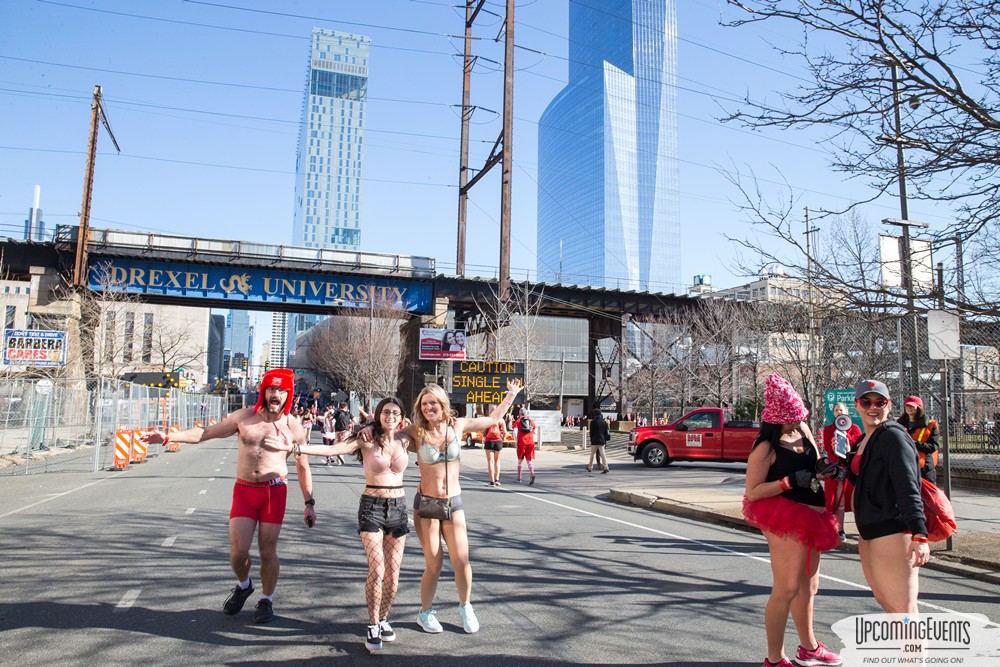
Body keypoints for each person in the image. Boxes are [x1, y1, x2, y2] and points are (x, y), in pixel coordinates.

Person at [140, 368, 315, 624]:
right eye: (271, 389)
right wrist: (168, 436)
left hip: (273, 493)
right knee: (238, 553)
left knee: (268, 552)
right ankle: (244, 585)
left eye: (280, 390)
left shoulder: (293, 428)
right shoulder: (245, 417)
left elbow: (303, 466)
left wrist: (309, 503)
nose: (275, 394)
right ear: (263, 391)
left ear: (288, 394)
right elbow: (205, 433)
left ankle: (266, 600)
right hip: (244, 491)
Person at [364, 379, 522, 635]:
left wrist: (510, 396)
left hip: (454, 502)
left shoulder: (458, 425)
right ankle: (425, 613)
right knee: (434, 564)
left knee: (462, 560)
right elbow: (388, 430)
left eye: (433, 403)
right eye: (424, 404)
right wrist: (369, 428)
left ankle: (466, 605)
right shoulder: (415, 431)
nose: (428, 408)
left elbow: (491, 420)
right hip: (426, 504)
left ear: (442, 404)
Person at [295, 397, 412, 654]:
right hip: (372, 505)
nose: (390, 416)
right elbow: (332, 450)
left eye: (395, 412)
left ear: (401, 417)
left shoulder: (405, 439)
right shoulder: (366, 439)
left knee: (393, 575)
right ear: (378, 415)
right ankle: (372, 624)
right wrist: (300, 449)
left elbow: (435, 435)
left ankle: (383, 618)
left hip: (399, 508)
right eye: (385, 412)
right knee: (377, 569)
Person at [742, 374, 842, 667]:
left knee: (809, 587)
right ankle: (774, 658)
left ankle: (809, 647)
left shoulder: (803, 429)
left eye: (798, 417)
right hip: (783, 516)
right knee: (785, 588)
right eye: (789, 420)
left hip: (813, 515)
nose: (795, 424)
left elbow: (815, 463)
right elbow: (753, 492)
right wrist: (788, 482)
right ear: (775, 420)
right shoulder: (764, 448)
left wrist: (827, 468)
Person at [848, 379, 930, 614]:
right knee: (889, 606)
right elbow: (868, 481)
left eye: (879, 402)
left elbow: (907, 485)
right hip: (870, 530)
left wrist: (919, 533)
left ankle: (914, 653)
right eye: (866, 402)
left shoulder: (892, 436)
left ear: (889, 405)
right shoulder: (865, 439)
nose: (873, 407)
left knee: (903, 611)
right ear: (857, 405)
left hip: (893, 529)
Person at [821, 402, 862, 539]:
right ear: (834, 413)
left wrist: (846, 437)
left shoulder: (854, 428)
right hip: (835, 468)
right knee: (833, 499)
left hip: (849, 468)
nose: (839, 412)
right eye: (837, 410)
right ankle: (833, 527)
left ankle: (844, 529)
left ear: (846, 412)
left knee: (846, 499)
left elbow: (857, 445)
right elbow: (828, 447)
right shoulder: (828, 429)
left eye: (841, 409)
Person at [897, 395, 940, 485]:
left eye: (912, 406)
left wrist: (914, 444)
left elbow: (933, 446)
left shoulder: (930, 425)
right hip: (904, 464)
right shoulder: (898, 424)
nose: (909, 408)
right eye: (907, 405)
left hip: (924, 467)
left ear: (919, 407)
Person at [482, 409, 507, 486]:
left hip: (489, 441)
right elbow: (505, 431)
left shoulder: (488, 420)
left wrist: (484, 437)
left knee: (490, 461)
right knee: (497, 461)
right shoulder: (501, 420)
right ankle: (497, 479)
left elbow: (483, 431)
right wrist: (502, 438)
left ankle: (491, 481)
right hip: (498, 441)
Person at [513, 407, 537, 485]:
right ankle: (532, 473)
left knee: (520, 461)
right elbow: (535, 431)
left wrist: (516, 442)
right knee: (529, 460)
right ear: (526, 414)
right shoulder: (531, 421)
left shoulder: (518, 421)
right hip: (530, 443)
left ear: (520, 414)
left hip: (521, 443)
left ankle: (519, 478)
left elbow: (515, 433)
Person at [329, 401, 352, 465]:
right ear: (346, 407)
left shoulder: (337, 412)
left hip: (337, 430)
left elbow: (330, 418)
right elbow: (354, 420)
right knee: (344, 443)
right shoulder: (348, 413)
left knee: (338, 442)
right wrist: (349, 423)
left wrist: (331, 427)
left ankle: (338, 457)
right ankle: (340, 455)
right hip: (345, 430)